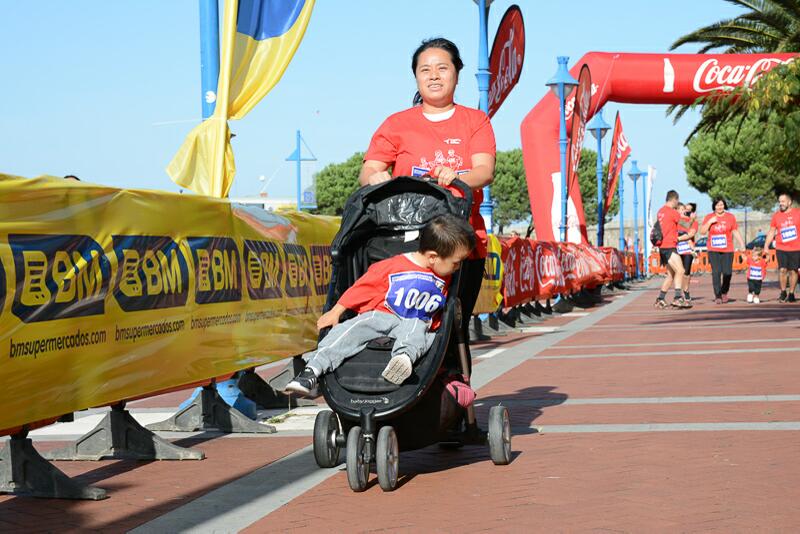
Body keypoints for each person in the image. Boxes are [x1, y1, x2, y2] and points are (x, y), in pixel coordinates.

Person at [358, 37, 495, 363]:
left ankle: (452, 397)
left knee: (451, 326)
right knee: (405, 321)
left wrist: (457, 175)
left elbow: (484, 170)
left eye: (442, 68)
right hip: (407, 243)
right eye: (425, 70)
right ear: (416, 77)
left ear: (456, 74)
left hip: (462, 242)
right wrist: (375, 176)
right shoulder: (397, 123)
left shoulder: (475, 121)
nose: (434, 75)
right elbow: (369, 170)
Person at [284, 215, 475, 396]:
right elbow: (362, 288)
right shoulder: (391, 266)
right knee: (351, 328)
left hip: (415, 322)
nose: (458, 268)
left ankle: (402, 360)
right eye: (456, 263)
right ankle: (312, 370)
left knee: (416, 327)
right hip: (382, 316)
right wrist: (336, 311)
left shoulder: (445, 274)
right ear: (433, 257)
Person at [700, 198, 746, 304]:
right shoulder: (709, 217)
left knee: (727, 272)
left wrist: (742, 245)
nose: (720, 207)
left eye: (721, 205)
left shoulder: (730, 217)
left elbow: (735, 231)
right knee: (716, 272)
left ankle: (724, 291)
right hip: (713, 249)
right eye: (717, 205)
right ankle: (718, 295)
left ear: (724, 205)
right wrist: (710, 222)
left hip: (727, 249)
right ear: (714, 206)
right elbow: (702, 232)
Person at [654, 191, 691, 309]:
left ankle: (660, 299)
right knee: (680, 270)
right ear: (674, 199)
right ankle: (677, 298)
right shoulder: (672, 212)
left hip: (663, 246)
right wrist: (691, 217)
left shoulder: (661, 211)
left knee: (671, 275)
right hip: (669, 245)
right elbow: (686, 224)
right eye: (677, 201)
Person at [763, 192, 800, 303]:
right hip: (781, 247)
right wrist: (766, 246)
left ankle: (792, 293)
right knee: (782, 270)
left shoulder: (798, 213)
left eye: (783, 201)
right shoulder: (776, 215)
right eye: (779, 202)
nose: (781, 204)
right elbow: (771, 231)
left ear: (789, 202)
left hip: (796, 247)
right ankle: (783, 292)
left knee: (793, 271)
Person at [677, 202, 699, 303]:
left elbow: (691, 234)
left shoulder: (693, 222)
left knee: (686, 272)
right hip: (676, 249)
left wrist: (677, 239)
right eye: (684, 208)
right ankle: (678, 293)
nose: (685, 211)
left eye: (688, 210)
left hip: (687, 249)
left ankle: (686, 290)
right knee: (678, 272)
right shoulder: (676, 220)